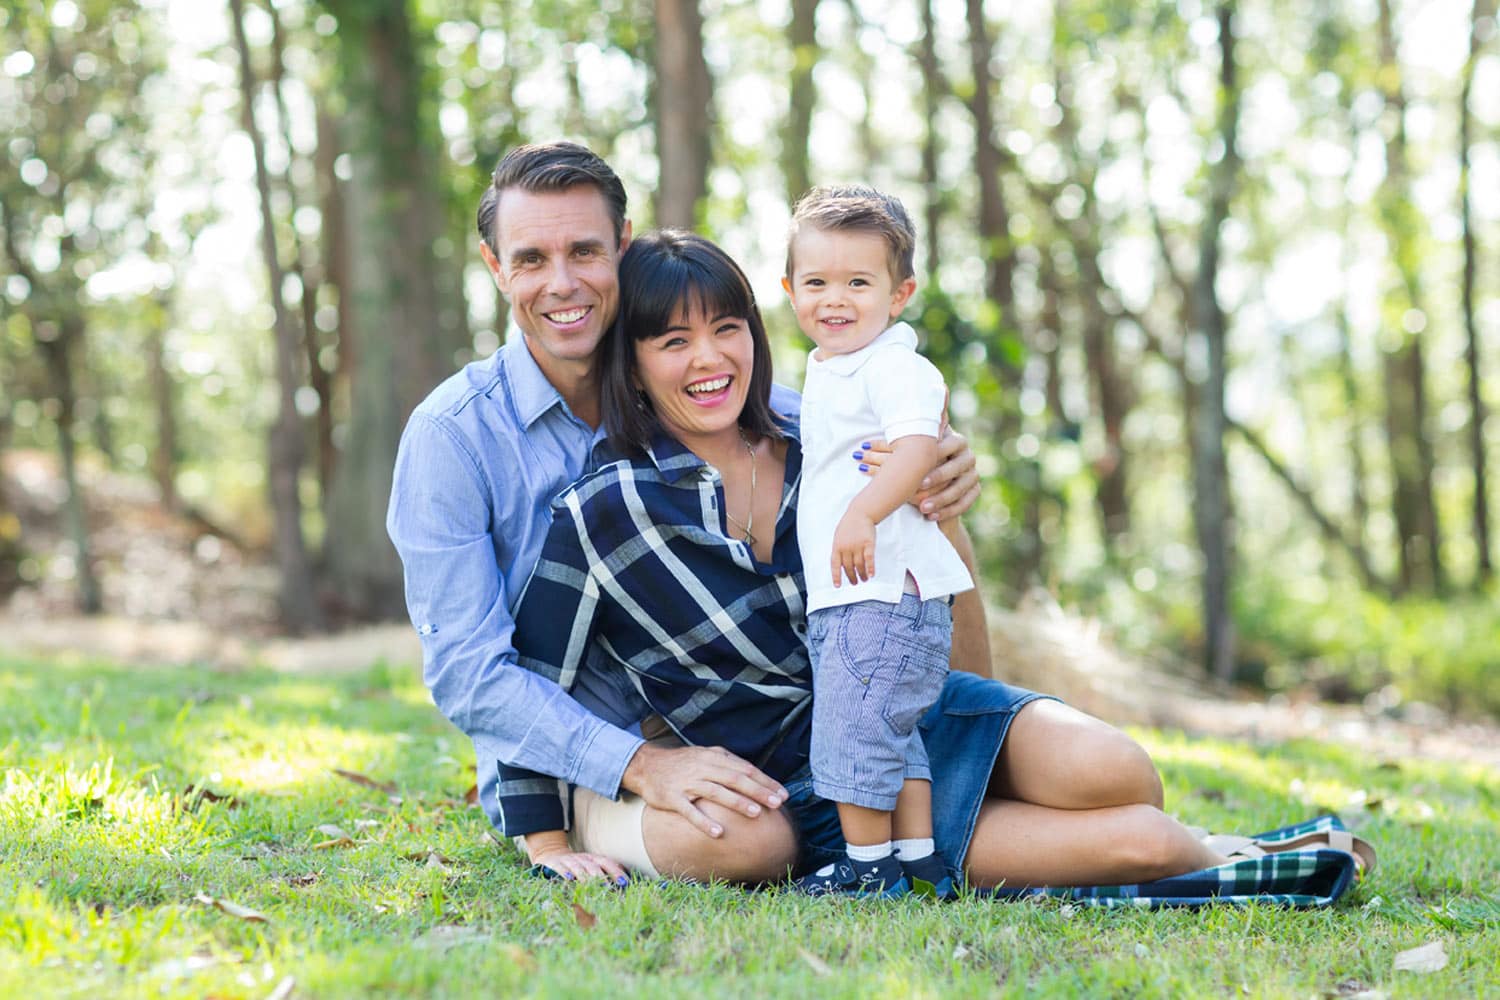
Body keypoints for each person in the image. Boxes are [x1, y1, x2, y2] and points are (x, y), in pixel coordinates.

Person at [500, 227, 1236, 888]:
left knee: (1127, 775)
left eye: (728, 328)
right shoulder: (603, 511)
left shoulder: (827, 443)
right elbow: (533, 681)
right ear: (631, 365)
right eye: (672, 342)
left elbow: (944, 610)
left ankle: (1110, 832)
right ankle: (1230, 857)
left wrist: (942, 501)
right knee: (1147, 842)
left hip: (929, 710)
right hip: (831, 785)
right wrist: (544, 840)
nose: (710, 357)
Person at [386, 141, 982, 886]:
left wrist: (931, 488)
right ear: (495, 266)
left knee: (1078, 780)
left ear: (622, 249)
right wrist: (639, 765)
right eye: (532, 258)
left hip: (771, 741)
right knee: (754, 840)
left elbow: (908, 599)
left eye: (585, 251)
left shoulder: (771, 426)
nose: (562, 282)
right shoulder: (454, 437)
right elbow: (469, 673)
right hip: (578, 762)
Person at [780, 185, 971, 898]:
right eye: (817, 282)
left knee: (852, 731)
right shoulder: (834, 366)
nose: (836, 299)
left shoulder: (893, 364)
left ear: (900, 293)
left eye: (859, 282)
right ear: (790, 289)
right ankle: (918, 861)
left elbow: (922, 442)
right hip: (865, 594)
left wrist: (862, 514)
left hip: (881, 591)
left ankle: (867, 870)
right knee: (894, 734)